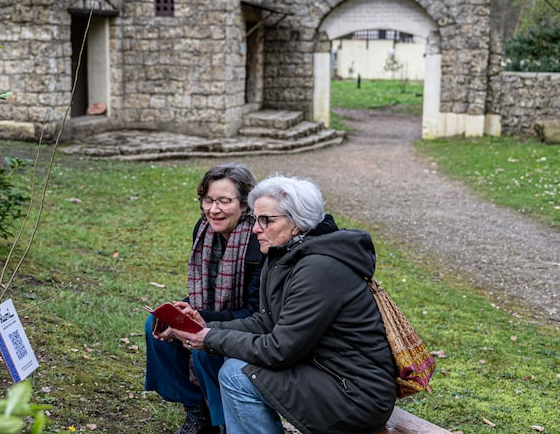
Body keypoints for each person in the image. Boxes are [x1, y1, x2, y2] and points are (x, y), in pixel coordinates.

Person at [168, 174, 398, 434]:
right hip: (322, 372)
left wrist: (208, 338)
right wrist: (205, 325)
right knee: (234, 368)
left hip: (355, 394)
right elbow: (265, 321)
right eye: (256, 219)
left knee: (236, 375)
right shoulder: (283, 255)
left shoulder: (319, 269)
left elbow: (279, 350)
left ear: (298, 223)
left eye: (266, 220)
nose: (255, 229)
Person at [145, 163, 264, 434]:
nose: (213, 210)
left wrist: (203, 319)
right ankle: (196, 410)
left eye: (224, 201)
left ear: (245, 205)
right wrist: (186, 311)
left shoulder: (258, 241)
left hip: (247, 325)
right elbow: (206, 289)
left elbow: (254, 310)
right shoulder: (203, 230)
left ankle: (223, 421)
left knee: (205, 349)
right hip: (211, 312)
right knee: (157, 324)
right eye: (208, 200)